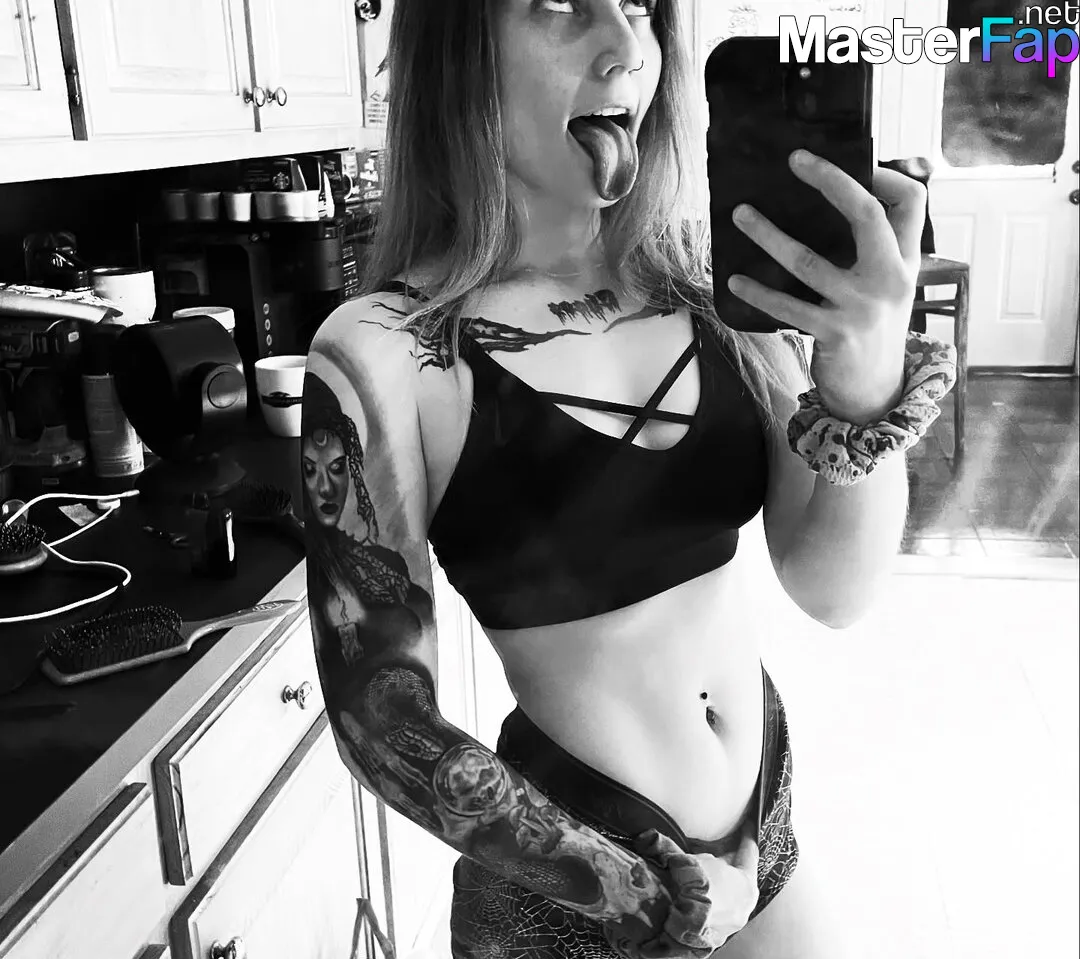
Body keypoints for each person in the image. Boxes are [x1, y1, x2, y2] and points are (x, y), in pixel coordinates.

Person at [302, 1, 957, 957]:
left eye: (643, 4)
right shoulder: (388, 350)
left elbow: (835, 589)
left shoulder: (710, 286)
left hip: (762, 832)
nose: (626, 47)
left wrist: (866, 379)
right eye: (560, 5)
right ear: (458, 46)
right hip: (572, 896)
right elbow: (378, 716)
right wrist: (641, 892)